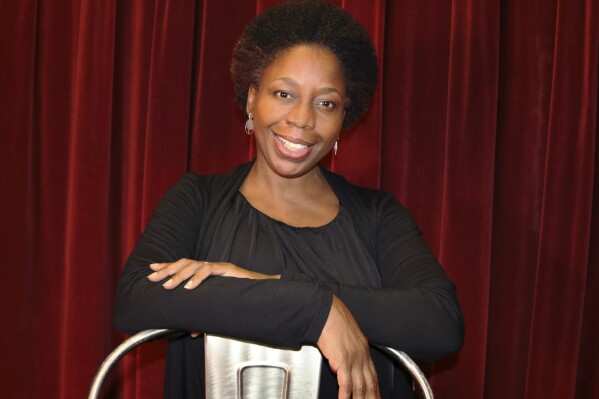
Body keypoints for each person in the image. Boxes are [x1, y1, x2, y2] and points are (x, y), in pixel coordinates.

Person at [113, 1, 464, 398]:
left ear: (342, 120)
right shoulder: (198, 199)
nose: (302, 119)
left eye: (326, 102)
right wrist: (318, 310)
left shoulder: (378, 215)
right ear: (251, 99)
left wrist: (269, 285)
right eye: (284, 93)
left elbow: (438, 322)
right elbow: (137, 296)